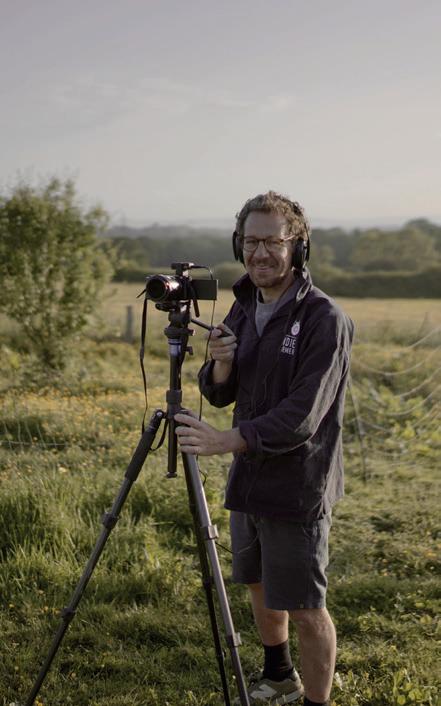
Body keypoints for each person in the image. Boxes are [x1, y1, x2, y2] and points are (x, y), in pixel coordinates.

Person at [175, 191, 354, 706]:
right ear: (239, 245)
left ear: (297, 246)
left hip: (298, 483)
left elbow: (303, 415)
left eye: (273, 242)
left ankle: (316, 701)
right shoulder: (244, 304)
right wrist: (222, 364)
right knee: (257, 583)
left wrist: (228, 439)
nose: (260, 254)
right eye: (251, 242)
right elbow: (220, 394)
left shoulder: (324, 318)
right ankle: (279, 677)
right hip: (249, 476)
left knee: (305, 606)